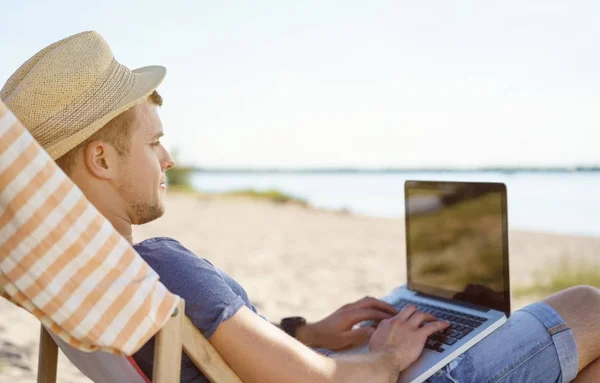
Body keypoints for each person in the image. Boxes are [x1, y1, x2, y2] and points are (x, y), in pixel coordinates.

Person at [2, 31, 599, 383]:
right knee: (587, 304)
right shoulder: (162, 269)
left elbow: (213, 358)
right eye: (156, 142)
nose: (168, 160)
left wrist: (306, 333)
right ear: (102, 159)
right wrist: (387, 353)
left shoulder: (79, 283)